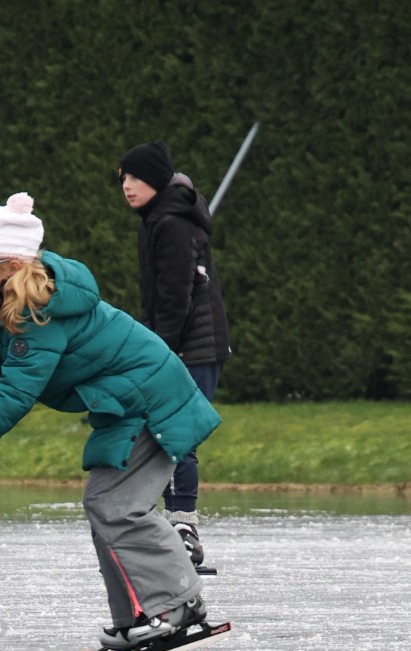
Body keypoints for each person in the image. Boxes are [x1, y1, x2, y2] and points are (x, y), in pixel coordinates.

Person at [0, 192, 222, 651]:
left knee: (118, 506)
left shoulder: (39, 314)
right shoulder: (13, 310)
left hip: (151, 403)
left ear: (12, 267)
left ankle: (179, 603)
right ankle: (138, 612)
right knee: (105, 507)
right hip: (126, 405)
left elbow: (16, 395)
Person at [118, 140, 231, 569]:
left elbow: (175, 295)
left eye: (136, 177)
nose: (127, 186)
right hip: (180, 342)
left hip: (192, 346)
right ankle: (164, 525)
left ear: (158, 180)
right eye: (123, 178)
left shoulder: (173, 222)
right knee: (161, 432)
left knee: (178, 434)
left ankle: (184, 529)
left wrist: (159, 351)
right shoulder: (157, 219)